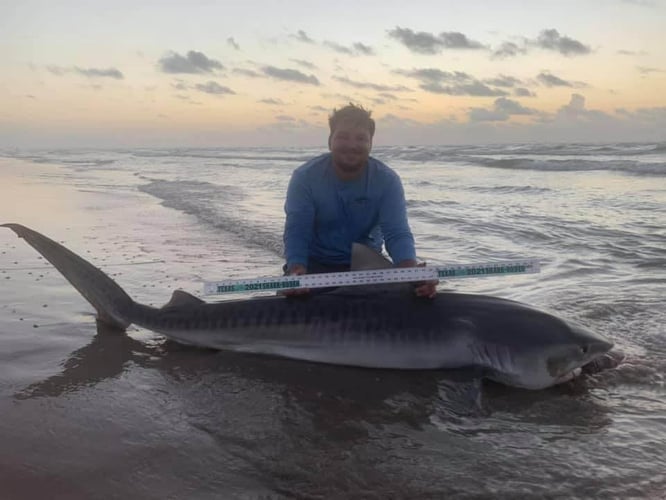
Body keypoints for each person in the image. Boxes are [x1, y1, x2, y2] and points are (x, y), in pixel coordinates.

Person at [282, 103, 437, 298]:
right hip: (314, 266)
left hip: (367, 267)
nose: (352, 145)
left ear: (371, 143)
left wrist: (411, 272)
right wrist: (295, 269)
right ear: (330, 141)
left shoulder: (386, 181)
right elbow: (297, 231)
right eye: (343, 136)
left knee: (417, 300)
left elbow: (397, 233)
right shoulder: (305, 177)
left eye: (361, 138)